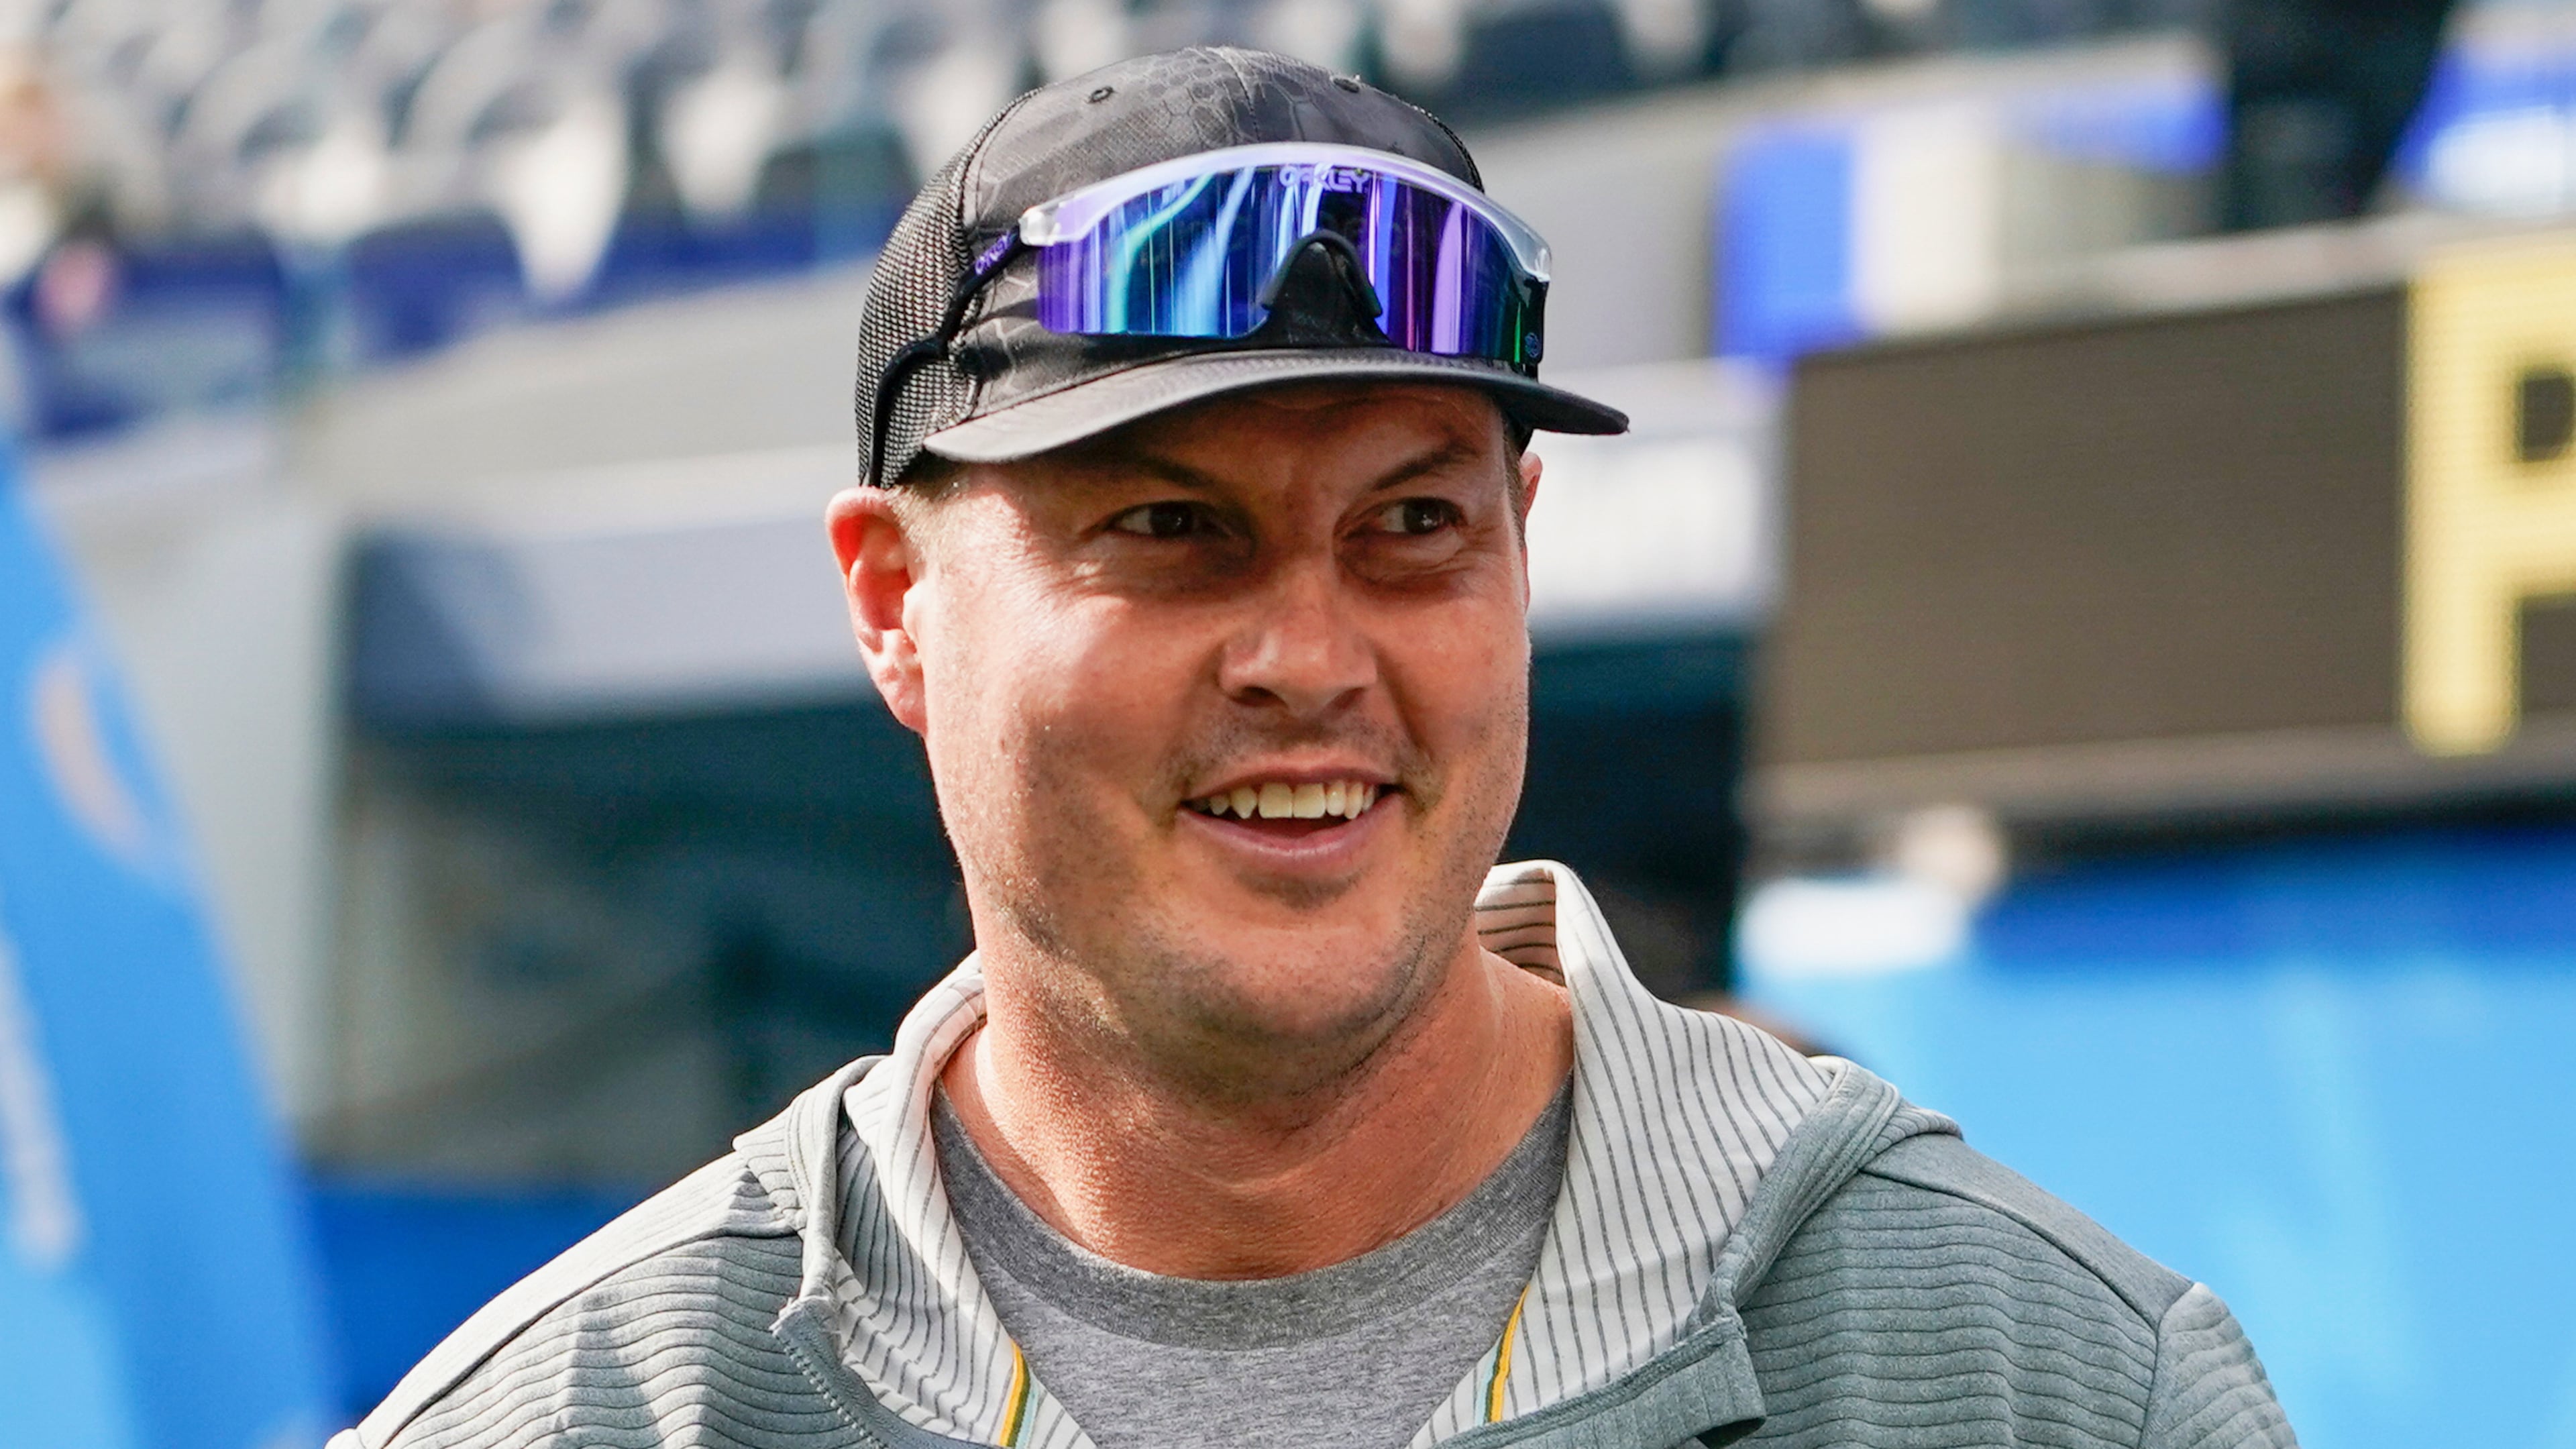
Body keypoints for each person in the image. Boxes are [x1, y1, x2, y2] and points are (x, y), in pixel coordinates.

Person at [333, 48, 2297, 1449]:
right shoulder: (591, 1414)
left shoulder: (2047, 1385)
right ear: (890, 604)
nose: (1307, 656)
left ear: (1523, 545)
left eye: (1413, 526)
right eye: (1168, 529)